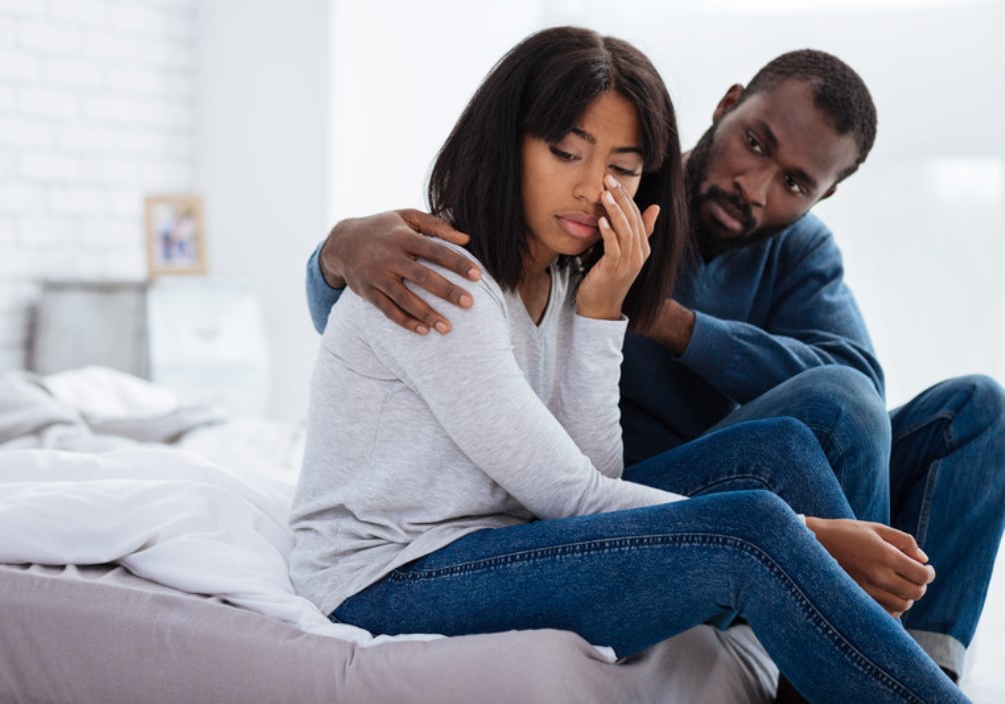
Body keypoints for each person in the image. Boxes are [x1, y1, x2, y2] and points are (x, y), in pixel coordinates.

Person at [291, 26, 964, 702]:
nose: (593, 189)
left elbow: (593, 475)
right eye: (565, 153)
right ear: (508, 143)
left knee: (786, 448)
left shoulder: (558, 280)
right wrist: (812, 537)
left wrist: (601, 313)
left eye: (622, 166)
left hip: (500, 536)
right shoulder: (442, 279)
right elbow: (573, 496)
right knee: (755, 529)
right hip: (384, 579)